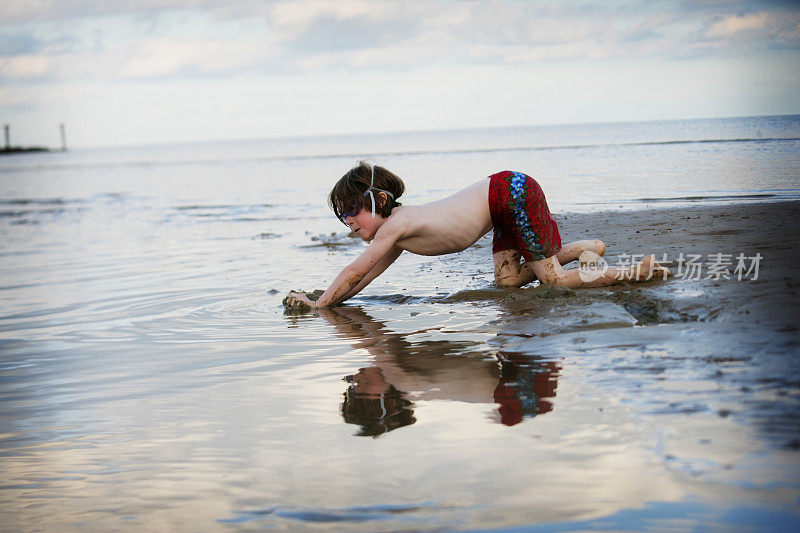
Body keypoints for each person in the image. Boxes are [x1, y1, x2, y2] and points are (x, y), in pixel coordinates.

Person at [285, 162, 670, 309]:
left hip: (510, 192)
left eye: (352, 210)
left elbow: (355, 269)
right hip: (502, 202)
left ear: (379, 200)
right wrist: (327, 301)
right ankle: (585, 248)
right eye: (343, 215)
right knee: (508, 282)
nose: (348, 221)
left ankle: (637, 270)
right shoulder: (395, 231)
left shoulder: (397, 225)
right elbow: (365, 277)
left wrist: (318, 306)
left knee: (557, 282)